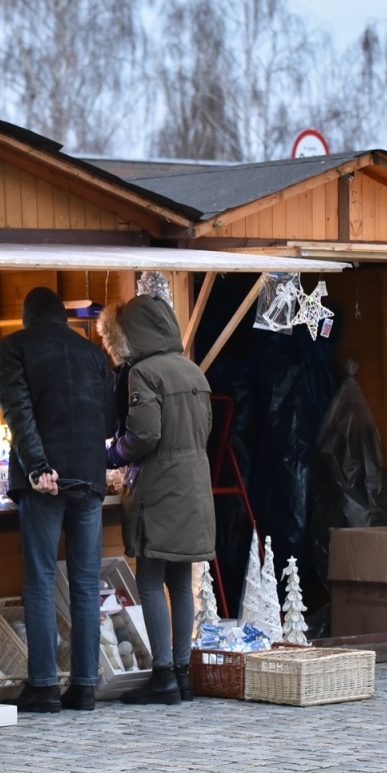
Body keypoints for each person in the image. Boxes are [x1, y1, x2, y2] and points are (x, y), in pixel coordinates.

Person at [0, 287, 113, 713]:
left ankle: (44, 685)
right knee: (84, 584)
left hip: (43, 478)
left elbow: (17, 410)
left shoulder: (14, 347)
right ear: (61, 318)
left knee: (41, 583)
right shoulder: (93, 353)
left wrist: (38, 466)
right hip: (90, 477)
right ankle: (85, 685)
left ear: (27, 317)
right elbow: (110, 415)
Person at [103, 295, 215, 706]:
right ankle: (183, 675)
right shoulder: (193, 371)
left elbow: (145, 435)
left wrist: (112, 454)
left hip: (160, 486)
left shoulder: (144, 373)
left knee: (150, 579)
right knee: (181, 581)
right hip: (193, 485)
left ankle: (163, 675)